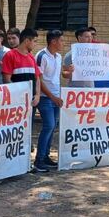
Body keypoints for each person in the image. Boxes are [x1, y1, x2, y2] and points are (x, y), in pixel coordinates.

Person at [35, 30, 64, 172]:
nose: (62, 43)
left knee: (52, 127)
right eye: (61, 40)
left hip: (56, 96)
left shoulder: (58, 57)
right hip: (45, 97)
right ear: (53, 41)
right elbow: (39, 79)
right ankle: (39, 160)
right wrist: (53, 96)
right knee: (49, 125)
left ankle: (45, 156)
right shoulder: (41, 56)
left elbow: (56, 77)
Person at [2, 29, 41, 109]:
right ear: (27, 41)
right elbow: (6, 80)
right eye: (34, 41)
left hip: (31, 103)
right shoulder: (9, 55)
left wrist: (37, 95)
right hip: (16, 103)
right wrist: (20, 95)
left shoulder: (31, 57)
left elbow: (37, 79)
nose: (35, 44)